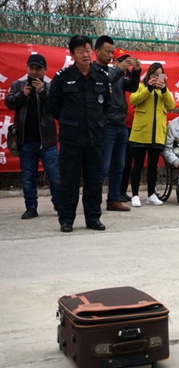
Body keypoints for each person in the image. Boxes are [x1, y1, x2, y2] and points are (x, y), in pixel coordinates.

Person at [48, 34, 111, 232]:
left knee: (94, 181)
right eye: (80, 51)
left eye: (87, 50)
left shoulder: (101, 77)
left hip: (95, 139)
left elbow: (106, 107)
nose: (85, 54)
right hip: (72, 140)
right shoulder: (63, 78)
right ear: (72, 54)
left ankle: (93, 218)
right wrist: (71, 122)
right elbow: (54, 107)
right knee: (69, 182)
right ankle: (66, 219)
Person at [5, 54, 61, 220]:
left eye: (38, 69)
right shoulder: (17, 85)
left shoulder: (50, 87)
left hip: (47, 141)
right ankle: (31, 207)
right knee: (28, 177)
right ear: (27, 68)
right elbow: (9, 103)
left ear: (45, 70)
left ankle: (59, 205)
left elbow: (54, 107)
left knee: (55, 176)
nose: (34, 72)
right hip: (25, 141)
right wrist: (23, 94)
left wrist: (42, 92)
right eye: (32, 68)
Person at [95, 41, 141, 212]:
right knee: (103, 166)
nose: (125, 63)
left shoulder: (121, 77)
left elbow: (134, 87)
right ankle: (93, 200)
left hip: (121, 125)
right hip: (107, 126)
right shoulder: (101, 73)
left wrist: (136, 71)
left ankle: (113, 199)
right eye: (120, 60)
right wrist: (120, 69)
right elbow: (106, 82)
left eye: (127, 60)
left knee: (119, 166)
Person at [128, 62, 176, 207]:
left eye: (159, 75)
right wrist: (148, 88)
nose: (156, 78)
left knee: (153, 166)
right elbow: (133, 100)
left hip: (157, 134)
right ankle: (135, 195)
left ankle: (151, 195)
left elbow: (171, 105)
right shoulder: (142, 87)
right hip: (141, 133)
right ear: (148, 75)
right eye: (154, 74)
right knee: (137, 165)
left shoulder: (164, 91)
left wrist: (164, 90)